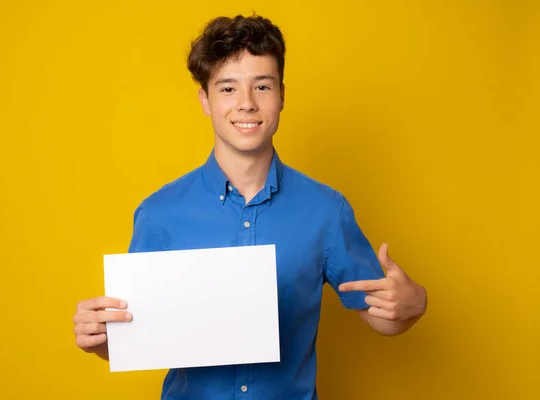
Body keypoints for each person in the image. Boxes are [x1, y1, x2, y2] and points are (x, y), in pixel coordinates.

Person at [73, 13, 427, 400]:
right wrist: (101, 340)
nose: (246, 104)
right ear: (205, 101)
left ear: (282, 96)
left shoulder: (326, 210)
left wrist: (413, 304)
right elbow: (137, 338)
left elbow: (383, 318)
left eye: (261, 86)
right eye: (227, 89)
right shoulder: (159, 214)